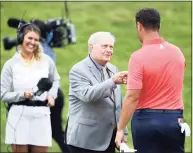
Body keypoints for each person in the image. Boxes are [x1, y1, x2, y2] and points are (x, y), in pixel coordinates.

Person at [115, 8, 190, 153]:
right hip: (175, 120)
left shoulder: (138, 57)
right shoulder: (177, 52)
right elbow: (168, 77)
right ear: (159, 26)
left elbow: (132, 96)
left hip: (146, 121)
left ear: (139, 26)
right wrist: (135, 76)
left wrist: (120, 129)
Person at [1, 23, 60, 153]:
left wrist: (51, 95)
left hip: (41, 115)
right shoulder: (10, 64)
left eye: (36, 40)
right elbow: (3, 95)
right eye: (30, 38)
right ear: (21, 38)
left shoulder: (46, 60)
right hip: (18, 117)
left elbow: (55, 80)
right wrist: (22, 94)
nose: (33, 42)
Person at [66, 31, 128, 153]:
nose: (109, 50)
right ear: (91, 46)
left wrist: (122, 131)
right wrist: (112, 81)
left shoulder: (112, 68)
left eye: (111, 47)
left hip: (109, 139)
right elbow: (87, 95)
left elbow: (117, 104)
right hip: (85, 141)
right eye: (104, 46)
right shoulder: (78, 70)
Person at [33, 19, 69, 153]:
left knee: (36, 135)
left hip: (45, 95)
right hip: (56, 94)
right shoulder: (47, 46)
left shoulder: (38, 50)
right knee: (56, 132)